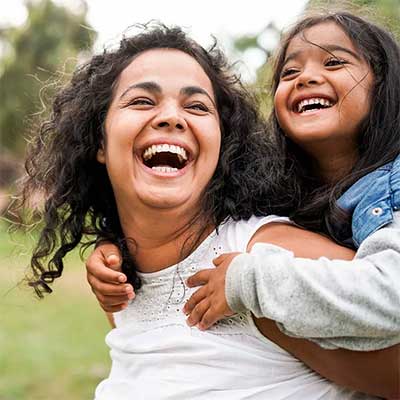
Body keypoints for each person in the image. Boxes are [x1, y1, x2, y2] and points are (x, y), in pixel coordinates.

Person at [85, 12, 400, 398]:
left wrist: (249, 283)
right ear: (98, 141)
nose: (170, 117)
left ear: (224, 144)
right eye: (141, 101)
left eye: (197, 106)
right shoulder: (121, 280)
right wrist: (111, 244)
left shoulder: (266, 259)